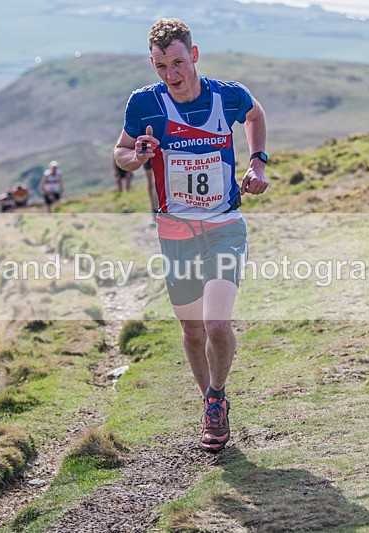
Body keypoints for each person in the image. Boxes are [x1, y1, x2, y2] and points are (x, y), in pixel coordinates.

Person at [114, 18, 268, 453]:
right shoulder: (144, 104)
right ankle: (208, 402)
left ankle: (217, 396)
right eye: (162, 65)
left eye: (178, 62)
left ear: (194, 55)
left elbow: (255, 114)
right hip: (175, 232)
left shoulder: (228, 95)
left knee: (216, 323)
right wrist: (135, 155)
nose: (171, 74)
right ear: (153, 64)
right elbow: (121, 151)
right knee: (192, 330)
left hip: (223, 226)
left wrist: (257, 162)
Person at [143, 159, 159, 224]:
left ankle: (155, 212)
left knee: (154, 181)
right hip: (146, 150)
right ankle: (154, 212)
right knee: (151, 182)